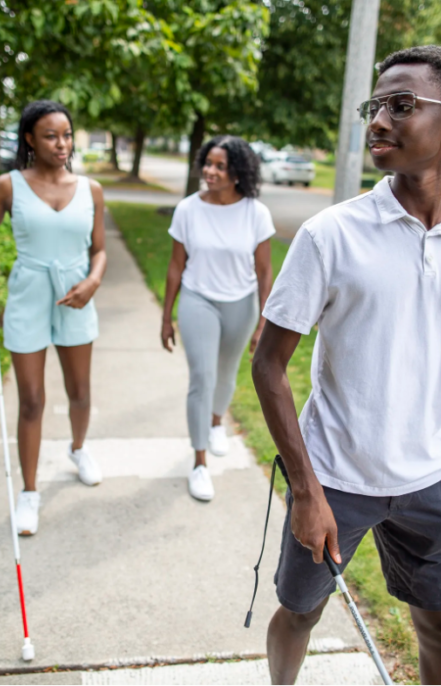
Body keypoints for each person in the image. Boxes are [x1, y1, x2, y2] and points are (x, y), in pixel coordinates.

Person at [252, 46, 441, 685]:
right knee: (300, 609)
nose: (378, 121)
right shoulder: (330, 235)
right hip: (335, 475)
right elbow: (268, 365)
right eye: (376, 106)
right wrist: (307, 493)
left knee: (440, 625)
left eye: (401, 106)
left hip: (433, 482)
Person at [0, 100, 107, 536]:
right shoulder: (8, 186)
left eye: (66, 134)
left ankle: (78, 448)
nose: (62, 144)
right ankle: (29, 493)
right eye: (51, 135)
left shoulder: (91, 190)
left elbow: (99, 249)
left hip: (75, 295)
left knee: (79, 391)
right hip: (28, 295)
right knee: (31, 401)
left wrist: (93, 281)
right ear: (29, 138)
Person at [161, 135, 275, 502]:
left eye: (219, 166)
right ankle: (199, 464)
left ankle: (215, 424)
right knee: (202, 377)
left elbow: (264, 271)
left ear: (238, 173)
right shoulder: (188, 209)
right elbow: (176, 267)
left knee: (226, 374)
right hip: (198, 300)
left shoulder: (255, 212)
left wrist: (262, 321)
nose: (209, 171)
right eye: (207, 163)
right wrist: (166, 317)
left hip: (240, 303)